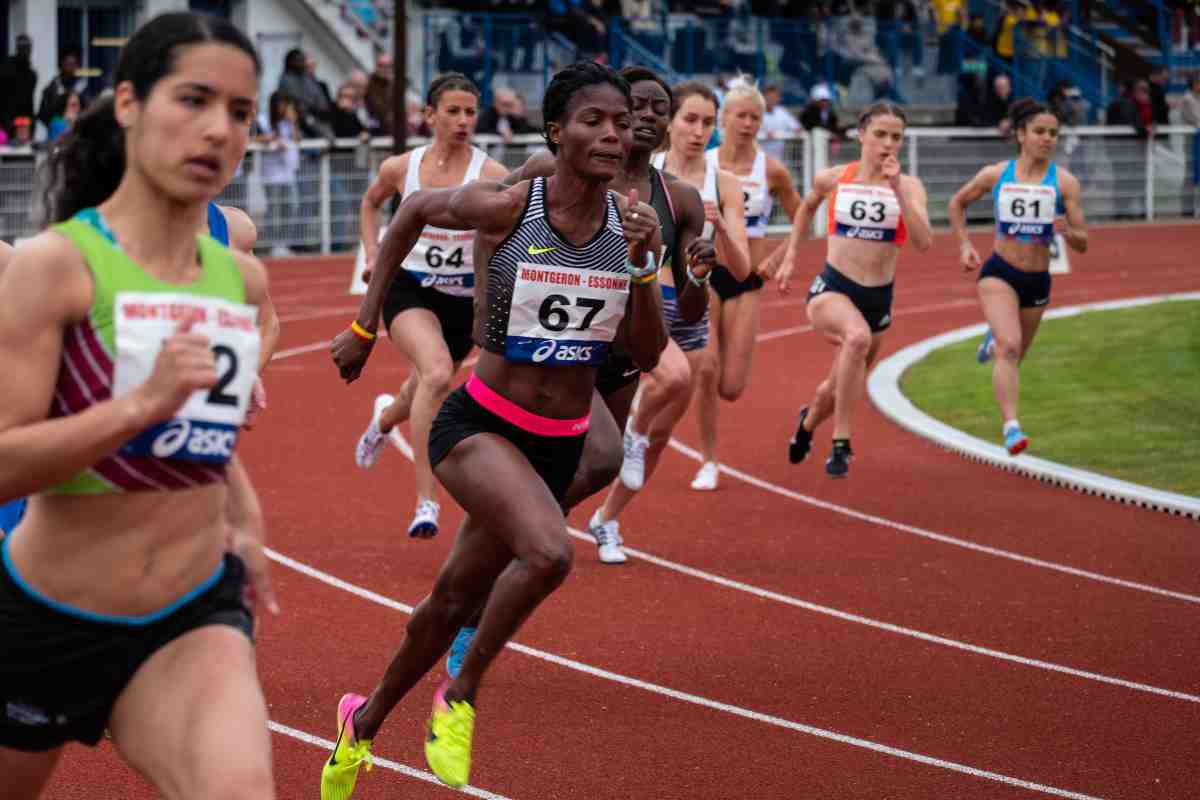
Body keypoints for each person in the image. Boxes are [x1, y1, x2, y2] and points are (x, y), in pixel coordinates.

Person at [325, 61, 666, 793]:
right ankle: (462, 694)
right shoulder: (513, 207)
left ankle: (362, 723)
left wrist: (643, 270)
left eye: (620, 121)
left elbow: (647, 353)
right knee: (548, 553)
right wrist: (362, 323)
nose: (613, 132)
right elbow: (411, 213)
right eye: (593, 120)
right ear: (556, 133)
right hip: (479, 423)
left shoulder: (632, 227)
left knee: (447, 603)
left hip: (559, 439)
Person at [0, 12, 277, 799]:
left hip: (190, 615)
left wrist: (246, 520)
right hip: (46, 618)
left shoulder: (237, 279)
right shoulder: (55, 270)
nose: (217, 130)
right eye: (192, 100)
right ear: (128, 104)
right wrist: (138, 406)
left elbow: (201, 435)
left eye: (239, 112)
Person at [587, 80, 749, 552]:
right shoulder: (642, 171)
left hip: (694, 308)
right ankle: (625, 435)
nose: (698, 131)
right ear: (669, 123)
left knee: (659, 435)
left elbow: (741, 270)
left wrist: (719, 227)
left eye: (707, 123)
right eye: (689, 120)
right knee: (666, 384)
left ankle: (608, 519)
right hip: (646, 304)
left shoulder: (724, 184)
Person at [352, 73, 508, 538]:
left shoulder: (492, 176)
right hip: (411, 289)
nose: (463, 121)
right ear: (430, 116)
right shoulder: (402, 167)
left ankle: (383, 419)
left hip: (463, 302)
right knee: (438, 373)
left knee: (420, 387)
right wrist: (374, 252)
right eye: (453, 111)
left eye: (470, 112)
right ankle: (426, 501)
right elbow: (370, 203)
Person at [774, 102, 933, 477]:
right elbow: (806, 207)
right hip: (833, 287)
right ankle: (841, 443)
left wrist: (896, 189)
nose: (888, 144)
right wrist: (790, 255)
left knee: (833, 389)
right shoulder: (834, 178)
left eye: (896, 137)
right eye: (880, 135)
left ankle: (808, 424)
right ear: (861, 135)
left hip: (878, 297)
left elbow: (924, 242)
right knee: (856, 340)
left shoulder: (909, 186)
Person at [948, 97, 1087, 454]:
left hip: (1038, 281)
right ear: (1021, 134)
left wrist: (1069, 233)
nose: (1047, 139)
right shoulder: (996, 175)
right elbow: (957, 202)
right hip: (999, 272)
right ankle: (1011, 427)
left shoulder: (1065, 183)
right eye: (1040, 131)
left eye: (1053, 133)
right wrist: (964, 245)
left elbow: (1083, 242)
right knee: (1010, 348)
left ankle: (991, 341)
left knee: (1014, 354)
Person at [688, 75, 802, 491]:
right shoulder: (706, 164)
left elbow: (803, 217)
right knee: (706, 370)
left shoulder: (771, 170)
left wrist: (780, 255)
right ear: (724, 118)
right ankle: (708, 459)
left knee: (731, 386)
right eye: (740, 115)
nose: (748, 124)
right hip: (707, 273)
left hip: (749, 277)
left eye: (755, 116)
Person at [758, 83, 802, 161]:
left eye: (774, 97)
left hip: (779, 158)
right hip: (759, 157)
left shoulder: (782, 112)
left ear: (778, 98)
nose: (771, 99)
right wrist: (765, 134)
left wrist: (797, 130)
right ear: (762, 97)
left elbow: (796, 127)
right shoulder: (757, 112)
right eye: (768, 97)